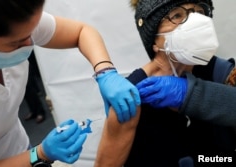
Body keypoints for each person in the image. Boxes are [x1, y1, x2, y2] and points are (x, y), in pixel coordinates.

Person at [0, 0, 141, 166]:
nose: (30, 43)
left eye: (31, 33)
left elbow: (82, 32)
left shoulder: (17, 23)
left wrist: (105, 72)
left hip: (19, 146)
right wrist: (39, 154)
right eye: (16, 42)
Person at [94, 0, 236, 166]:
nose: (195, 23)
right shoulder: (131, 95)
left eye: (199, 13)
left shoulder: (223, 73)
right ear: (153, 39)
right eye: (177, 15)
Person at [136, 59, 236, 127]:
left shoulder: (218, 69)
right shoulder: (136, 85)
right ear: (155, 44)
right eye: (175, 25)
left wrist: (193, 94)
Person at [24, 50, 46, 123]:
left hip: (22, 61)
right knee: (24, 90)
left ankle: (40, 111)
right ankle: (33, 110)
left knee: (30, 87)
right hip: (12, 64)